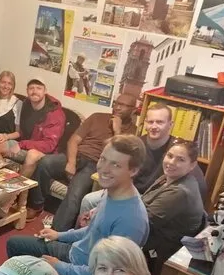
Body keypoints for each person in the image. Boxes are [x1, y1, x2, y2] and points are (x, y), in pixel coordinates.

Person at [5, 135, 149, 275]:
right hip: (75, 255)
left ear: (133, 170)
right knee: (15, 247)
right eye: (103, 159)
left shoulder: (131, 219)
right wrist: (59, 235)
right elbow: (92, 231)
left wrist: (59, 267)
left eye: (115, 165)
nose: (104, 169)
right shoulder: (112, 192)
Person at [77, 104, 207, 223]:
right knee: (89, 200)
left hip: (156, 200)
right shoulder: (136, 145)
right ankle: (85, 235)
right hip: (130, 192)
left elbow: (197, 186)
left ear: (170, 124)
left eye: (160, 122)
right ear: (144, 123)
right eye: (150, 122)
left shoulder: (176, 150)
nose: (154, 126)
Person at [27, 94, 137, 230]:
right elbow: (73, 141)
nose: (118, 107)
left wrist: (117, 131)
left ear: (133, 110)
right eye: (116, 103)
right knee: (44, 163)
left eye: (123, 105)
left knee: (75, 194)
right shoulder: (97, 117)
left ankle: (56, 233)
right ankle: (36, 205)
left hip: (95, 165)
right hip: (76, 155)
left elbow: (120, 155)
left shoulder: (133, 132)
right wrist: (71, 163)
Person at [142, 140, 206, 275]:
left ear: (192, 165)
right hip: (150, 229)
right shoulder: (169, 177)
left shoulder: (179, 192)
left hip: (158, 248)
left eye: (180, 160)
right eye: (170, 156)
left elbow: (144, 221)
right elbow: (144, 202)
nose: (171, 162)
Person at [12, 77, 65, 178]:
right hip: (26, 145)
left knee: (32, 155)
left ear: (45, 91)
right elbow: (21, 130)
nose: (34, 91)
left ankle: (18, 187)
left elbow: (49, 144)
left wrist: (22, 144)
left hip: (47, 152)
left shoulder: (55, 113)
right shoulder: (26, 104)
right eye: (31, 88)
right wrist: (5, 137)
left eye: (39, 88)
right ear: (27, 91)